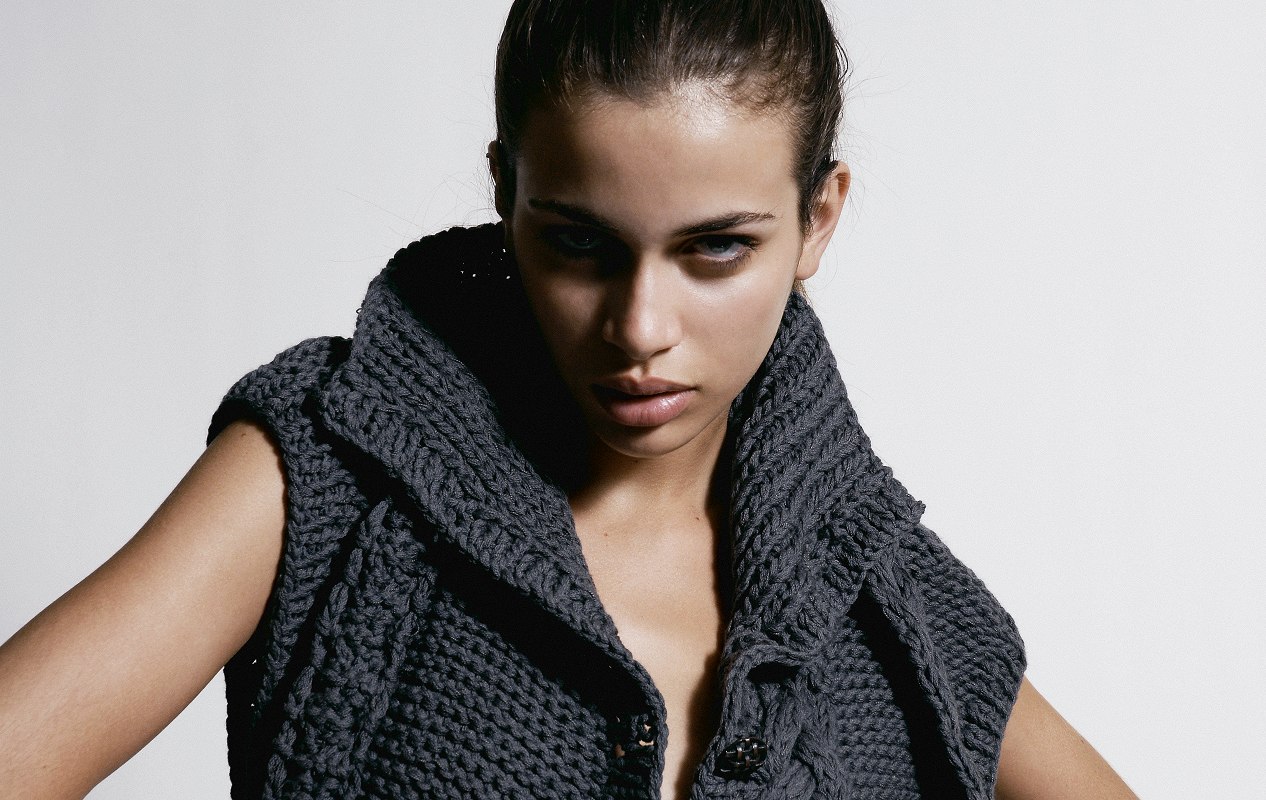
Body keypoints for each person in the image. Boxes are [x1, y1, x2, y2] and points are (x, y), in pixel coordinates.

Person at [0, 1, 1139, 798]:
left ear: (818, 219)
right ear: (506, 191)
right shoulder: (326, 471)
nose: (639, 328)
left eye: (716, 249)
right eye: (581, 245)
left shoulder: (894, 605)